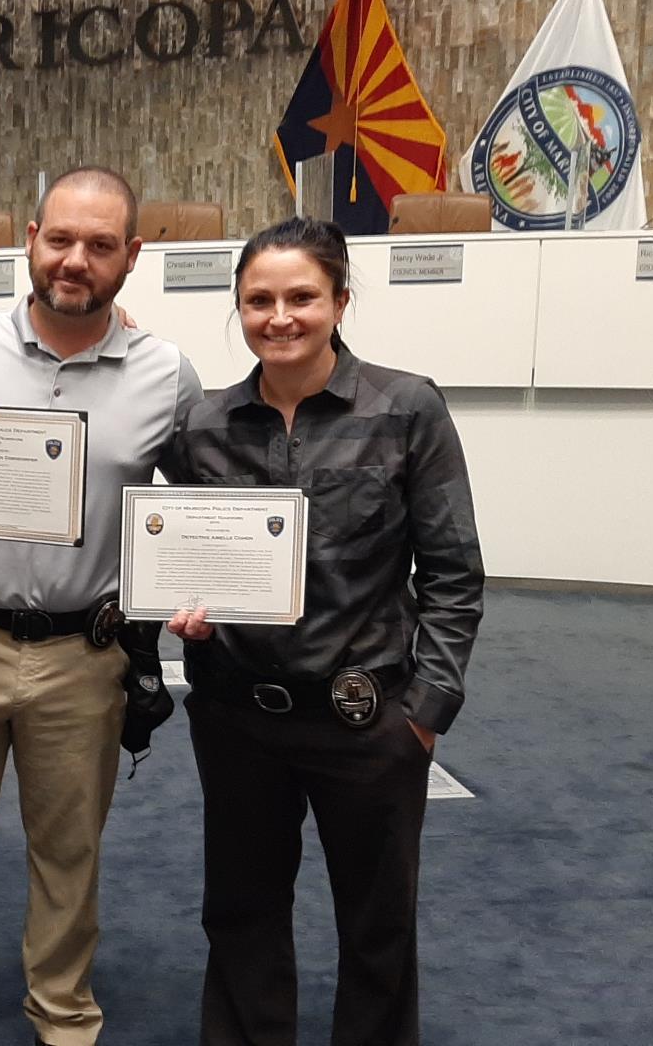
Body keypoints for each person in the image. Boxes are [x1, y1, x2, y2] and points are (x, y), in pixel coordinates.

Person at [0, 166, 202, 1046]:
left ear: (132, 256)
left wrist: (203, 581)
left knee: (69, 851)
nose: (75, 260)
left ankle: (61, 1011)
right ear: (31, 237)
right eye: (60, 239)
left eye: (101, 246)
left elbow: (205, 504)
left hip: (81, 654)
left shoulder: (166, 376)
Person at [165, 216, 484, 1046]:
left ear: (341, 299)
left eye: (301, 296)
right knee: (240, 915)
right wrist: (184, 610)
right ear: (238, 309)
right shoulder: (203, 426)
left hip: (367, 719)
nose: (280, 317)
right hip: (238, 718)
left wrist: (424, 712)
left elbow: (452, 571)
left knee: (378, 929)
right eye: (258, 300)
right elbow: (175, 548)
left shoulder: (407, 407)